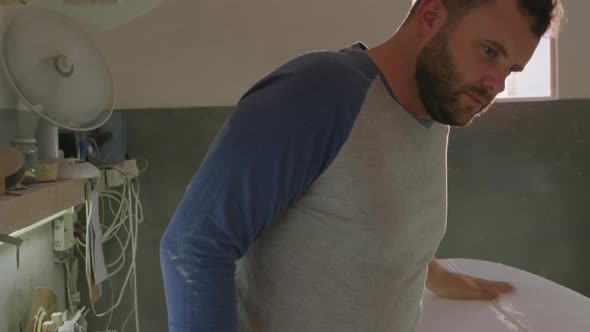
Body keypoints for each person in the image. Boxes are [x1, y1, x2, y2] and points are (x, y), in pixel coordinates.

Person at [160, 0, 564, 331]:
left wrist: (435, 274)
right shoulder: (320, 91)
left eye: (510, 69)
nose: (496, 83)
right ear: (430, 16)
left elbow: (359, 226)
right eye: (489, 51)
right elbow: (194, 245)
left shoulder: (434, 110)